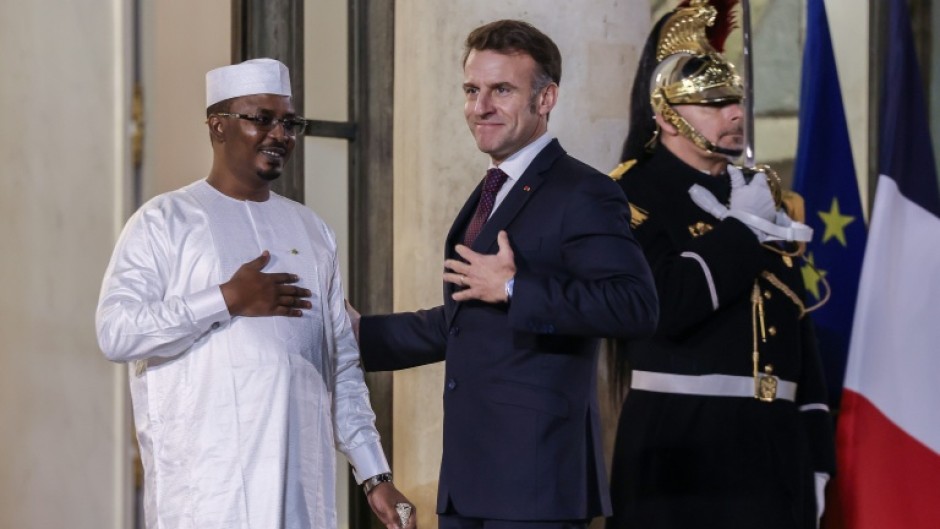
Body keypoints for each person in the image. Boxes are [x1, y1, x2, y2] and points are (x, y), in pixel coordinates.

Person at [345, 19, 659, 529]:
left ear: (546, 98)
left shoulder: (584, 192)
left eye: (501, 90)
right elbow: (466, 319)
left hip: (537, 485)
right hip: (469, 482)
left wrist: (515, 287)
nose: (479, 107)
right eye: (472, 90)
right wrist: (362, 335)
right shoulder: (496, 187)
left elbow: (635, 306)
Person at [96, 58, 415, 529]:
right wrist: (227, 298)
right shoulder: (164, 221)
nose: (280, 134)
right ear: (217, 126)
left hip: (299, 494)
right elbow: (116, 333)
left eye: (289, 122)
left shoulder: (313, 232)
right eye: (261, 119)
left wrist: (374, 473)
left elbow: (341, 365)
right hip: (206, 495)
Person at [605, 2, 835, 528]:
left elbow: (797, 326)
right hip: (684, 448)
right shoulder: (628, 193)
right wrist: (741, 231)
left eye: (735, 100)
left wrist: (817, 450)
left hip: (777, 448)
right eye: (712, 102)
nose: (734, 113)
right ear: (665, 116)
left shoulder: (756, 192)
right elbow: (664, 304)